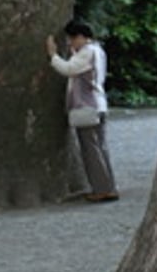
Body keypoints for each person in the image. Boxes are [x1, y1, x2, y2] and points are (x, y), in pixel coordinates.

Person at [46, 18, 118, 203]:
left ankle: (101, 189)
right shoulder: (97, 51)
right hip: (98, 104)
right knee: (100, 147)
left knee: (90, 150)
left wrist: (53, 55)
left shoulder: (87, 53)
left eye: (72, 39)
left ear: (80, 37)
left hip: (88, 106)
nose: (70, 43)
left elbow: (69, 68)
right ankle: (108, 186)